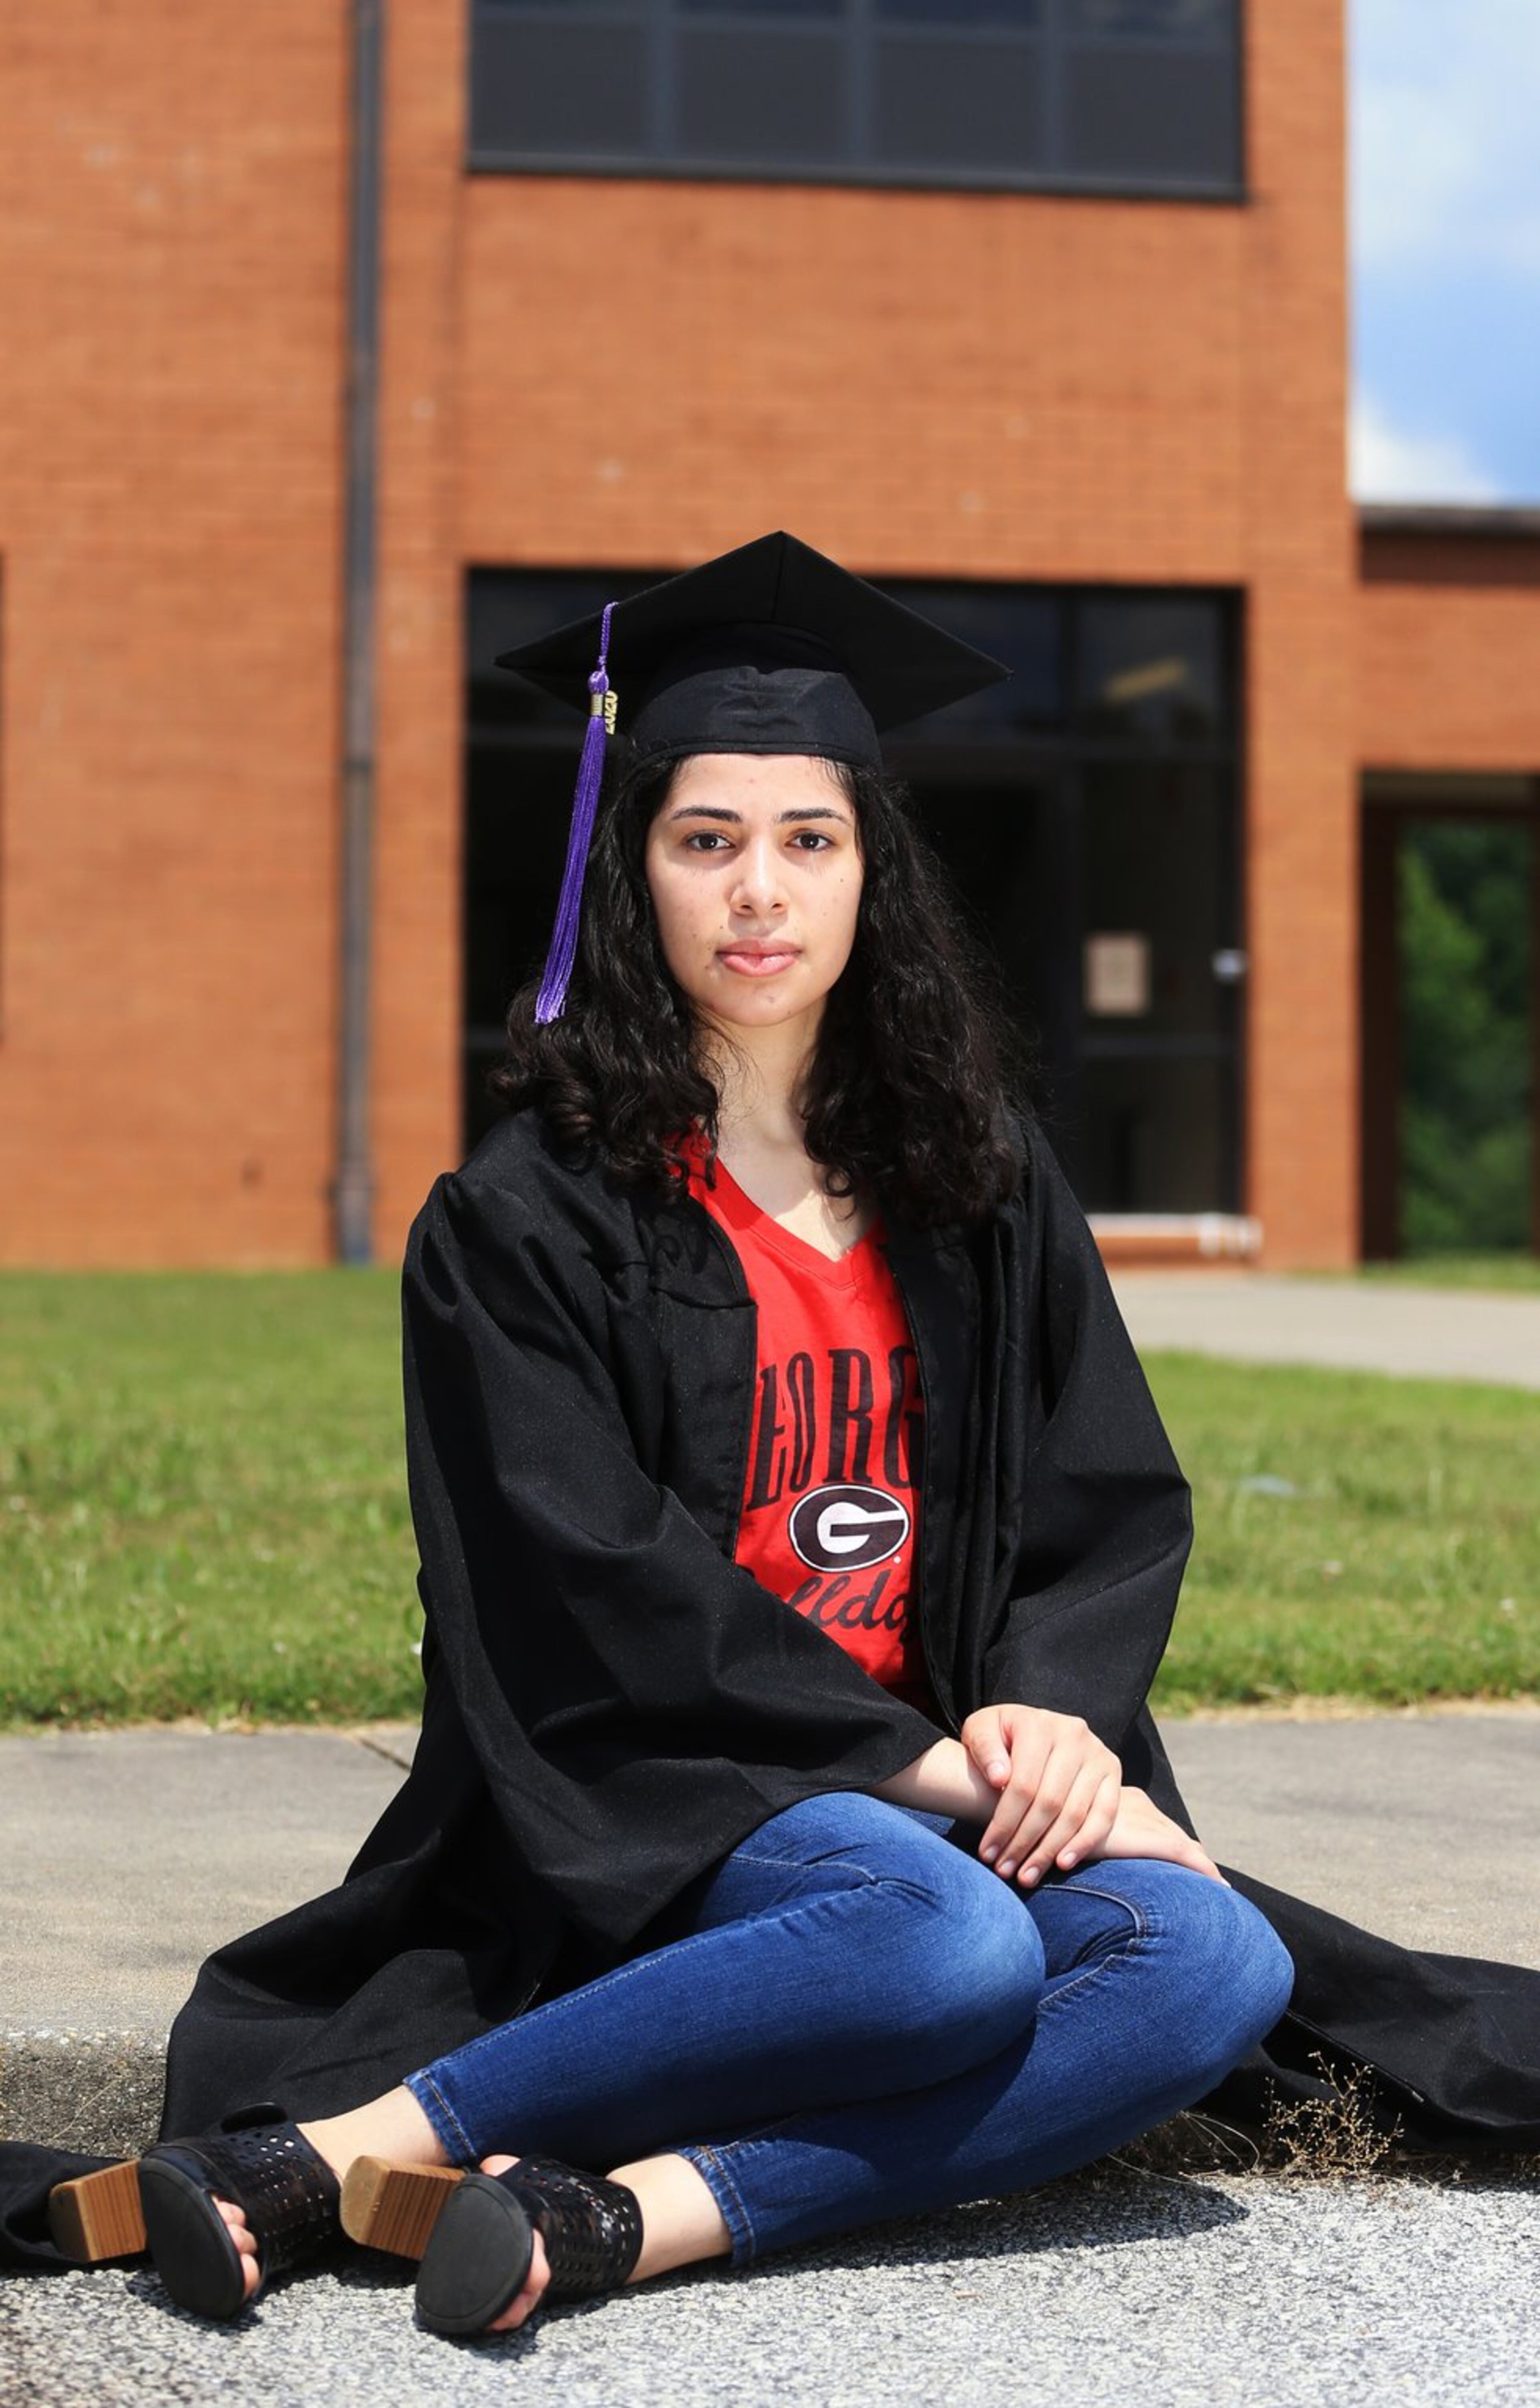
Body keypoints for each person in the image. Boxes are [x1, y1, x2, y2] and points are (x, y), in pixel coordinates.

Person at [8, 536, 1538, 2332]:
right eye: (705, 838)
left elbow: (1099, 1486)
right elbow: (591, 1589)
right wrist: (962, 1780)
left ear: (870, 873)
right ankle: (335, 2144)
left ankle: (617, 2217)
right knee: (944, 1938)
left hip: (942, 1776)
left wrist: (1051, 1708)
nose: (761, 890)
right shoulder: (528, 1221)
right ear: (633, 871)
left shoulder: (975, 1180)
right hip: (666, 1795)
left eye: (809, 839)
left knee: (1208, 1960)